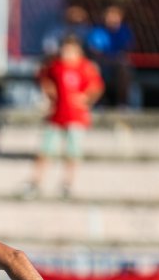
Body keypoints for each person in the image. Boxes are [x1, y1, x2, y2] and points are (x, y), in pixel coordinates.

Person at [27, 35, 104, 198]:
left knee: (72, 152)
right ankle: (36, 182)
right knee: (45, 151)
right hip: (56, 115)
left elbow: (96, 87)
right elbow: (43, 78)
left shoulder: (85, 67)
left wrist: (85, 99)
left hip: (76, 117)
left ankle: (67, 183)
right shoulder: (55, 66)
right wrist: (49, 94)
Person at [86, 4, 134, 108]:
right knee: (95, 68)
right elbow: (95, 52)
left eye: (115, 16)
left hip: (117, 63)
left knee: (124, 68)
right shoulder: (97, 31)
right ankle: (99, 102)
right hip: (102, 62)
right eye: (110, 16)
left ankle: (122, 103)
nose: (112, 19)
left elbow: (125, 51)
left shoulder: (124, 31)